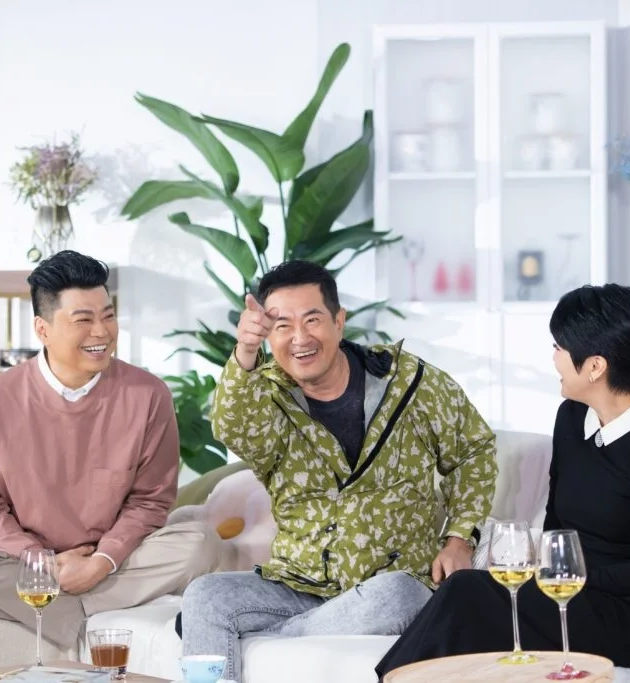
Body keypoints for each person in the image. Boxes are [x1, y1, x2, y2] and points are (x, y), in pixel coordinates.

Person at [178, 260, 498, 682]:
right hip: (297, 586)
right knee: (205, 596)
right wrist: (245, 352)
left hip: (387, 587)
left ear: (339, 321)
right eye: (282, 326)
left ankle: (271, 637)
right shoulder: (267, 396)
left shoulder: (410, 383)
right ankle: (285, 634)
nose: (300, 338)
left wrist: (459, 539)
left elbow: (474, 449)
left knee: (400, 596)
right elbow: (232, 428)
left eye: (312, 320)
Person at [375, 283, 630, 679]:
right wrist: (549, 574)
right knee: (469, 606)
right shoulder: (571, 417)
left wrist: (558, 576)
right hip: (567, 595)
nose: (554, 357)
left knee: (467, 593)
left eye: (559, 347)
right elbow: (557, 522)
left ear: (595, 366)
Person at [0, 250, 221, 650]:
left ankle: (63, 615)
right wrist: (45, 564)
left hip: (114, 560)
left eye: (108, 316)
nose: (101, 332)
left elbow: (150, 500)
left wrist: (101, 562)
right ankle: (86, 618)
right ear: (43, 329)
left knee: (200, 544)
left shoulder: (148, 394)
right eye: (83, 320)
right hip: (25, 562)